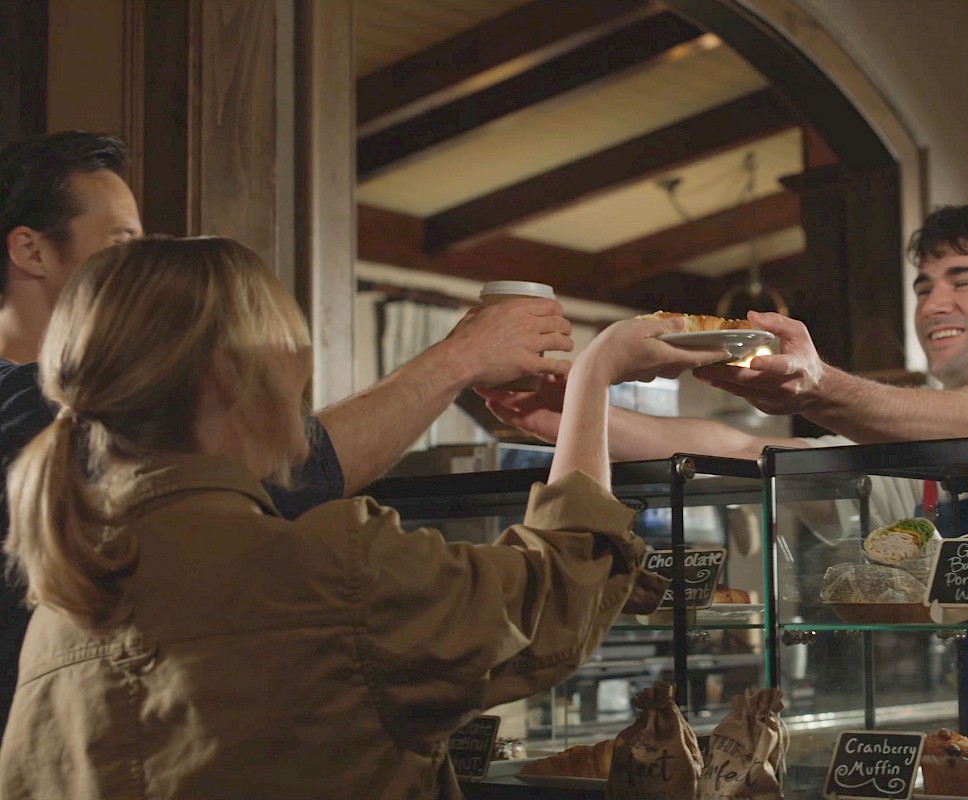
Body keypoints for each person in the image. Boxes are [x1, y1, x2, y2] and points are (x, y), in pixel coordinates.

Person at [0, 236, 727, 798]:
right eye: (291, 353)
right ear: (228, 379)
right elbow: (558, 589)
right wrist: (596, 374)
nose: (302, 381)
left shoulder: (59, 612)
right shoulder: (327, 568)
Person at [482, 203, 968, 761]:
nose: (933, 302)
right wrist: (574, 412)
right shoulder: (909, 455)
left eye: (964, 280)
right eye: (924, 285)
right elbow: (747, 449)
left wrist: (818, 384)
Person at [0, 131, 574, 738]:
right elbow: (295, 475)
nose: (141, 265)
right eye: (121, 244)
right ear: (31, 251)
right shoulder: (36, 408)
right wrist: (461, 360)